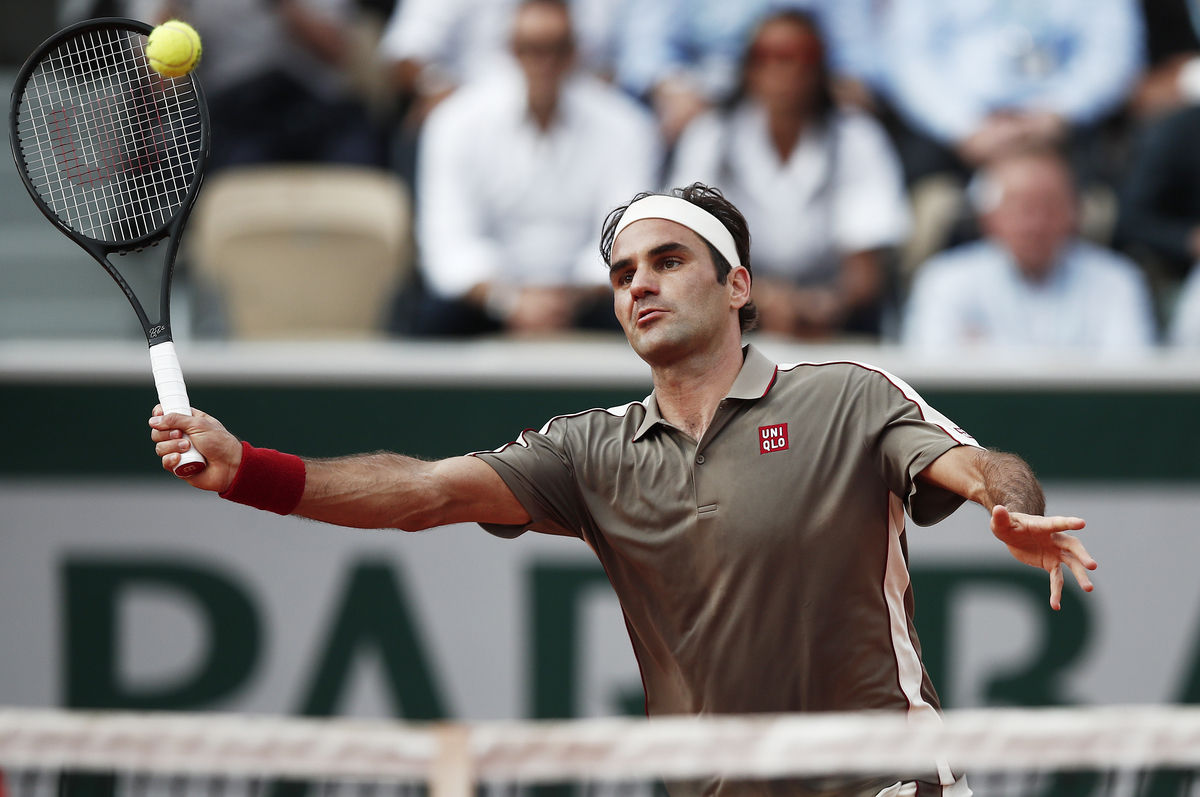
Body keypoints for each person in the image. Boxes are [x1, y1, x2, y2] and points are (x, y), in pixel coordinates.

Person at [151, 183, 1096, 797]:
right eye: (621, 274)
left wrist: (1006, 505)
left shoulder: (844, 395)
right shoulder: (590, 450)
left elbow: (980, 464)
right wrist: (248, 469)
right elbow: (425, 493)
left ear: (737, 286)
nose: (639, 285)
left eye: (668, 261)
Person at [410, 0, 658, 336]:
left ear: (574, 52)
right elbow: (448, 245)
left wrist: (569, 298)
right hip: (486, 300)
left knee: (649, 312)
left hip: (592, 299)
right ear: (511, 50)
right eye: (532, 48)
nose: (544, 62)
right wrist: (510, 300)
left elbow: (627, 237)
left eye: (556, 48)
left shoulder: (625, 126)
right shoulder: (456, 122)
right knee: (430, 319)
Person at [668, 9, 909, 339]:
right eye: (767, 56)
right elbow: (686, 246)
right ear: (747, 67)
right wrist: (758, 298)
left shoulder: (857, 139)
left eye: (800, 57)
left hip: (831, 324)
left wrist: (821, 304)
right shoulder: (710, 137)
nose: (783, 70)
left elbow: (865, 273)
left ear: (821, 67)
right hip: (728, 314)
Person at [903, 150, 1157, 354]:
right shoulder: (945, 280)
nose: (1034, 224)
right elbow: (934, 374)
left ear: (1075, 213)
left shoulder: (1117, 280)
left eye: (1049, 207)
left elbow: (1129, 376)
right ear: (988, 216)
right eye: (1020, 208)